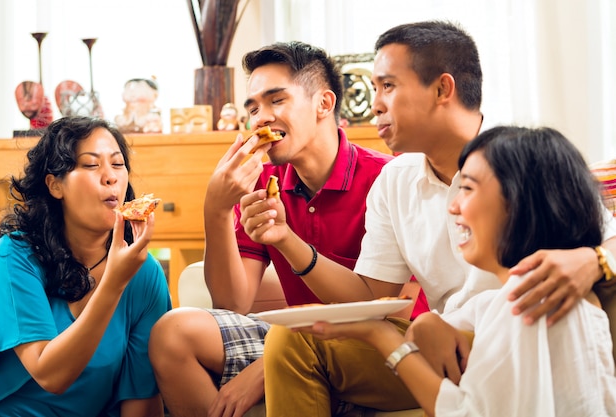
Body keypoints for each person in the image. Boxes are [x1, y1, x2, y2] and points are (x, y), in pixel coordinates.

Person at [261, 21, 616, 416]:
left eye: (388, 86)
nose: (376, 104)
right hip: (443, 342)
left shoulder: (522, 158)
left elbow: (601, 234)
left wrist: (594, 259)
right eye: (375, 89)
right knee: (292, 338)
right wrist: (285, 238)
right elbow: (370, 296)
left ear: (442, 89)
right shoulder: (394, 179)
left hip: (526, 321)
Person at [147, 41, 398, 416]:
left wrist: (266, 367)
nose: (260, 118)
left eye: (276, 101)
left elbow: (395, 310)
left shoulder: (385, 179)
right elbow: (232, 304)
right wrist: (216, 210)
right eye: (253, 108)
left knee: (292, 350)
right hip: (293, 337)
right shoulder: (264, 182)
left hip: (370, 344)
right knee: (172, 333)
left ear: (324, 104)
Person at [298, 126, 616, 416]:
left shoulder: (531, 302)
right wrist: (415, 325)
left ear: (521, 201)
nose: (453, 206)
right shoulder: (500, 301)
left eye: (468, 188)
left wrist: (381, 336)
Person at [0, 116, 172, 416]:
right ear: (55, 185)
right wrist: (114, 283)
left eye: (117, 164)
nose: (110, 177)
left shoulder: (144, 272)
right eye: (90, 165)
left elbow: (141, 398)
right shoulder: (15, 255)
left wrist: (121, 277)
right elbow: (51, 375)